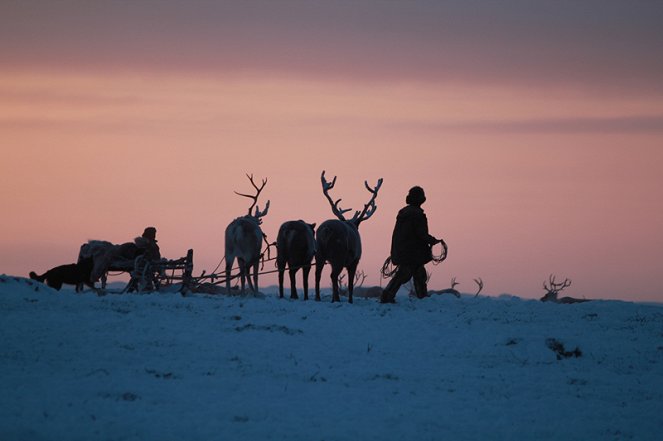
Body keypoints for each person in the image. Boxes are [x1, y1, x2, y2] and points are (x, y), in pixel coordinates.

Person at [380, 186, 445, 303]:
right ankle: (387, 295)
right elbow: (421, 233)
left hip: (404, 251)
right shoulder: (417, 214)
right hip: (412, 253)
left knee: (418, 273)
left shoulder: (404, 213)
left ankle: (422, 297)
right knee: (404, 274)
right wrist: (432, 240)